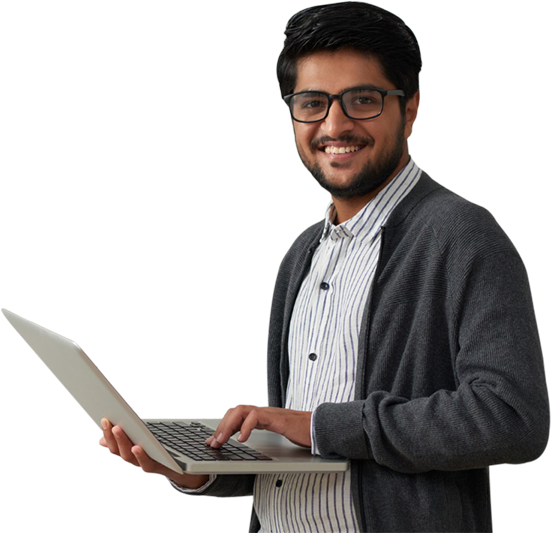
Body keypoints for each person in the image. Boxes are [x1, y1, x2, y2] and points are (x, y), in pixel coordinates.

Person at [100, 2, 550, 531]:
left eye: (363, 100)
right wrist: (193, 471)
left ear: (409, 109)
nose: (335, 124)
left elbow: (512, 419)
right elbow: (302, 457)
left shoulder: (462, 236)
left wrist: (319, 424)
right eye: (312, 102)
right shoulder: (303, 255)